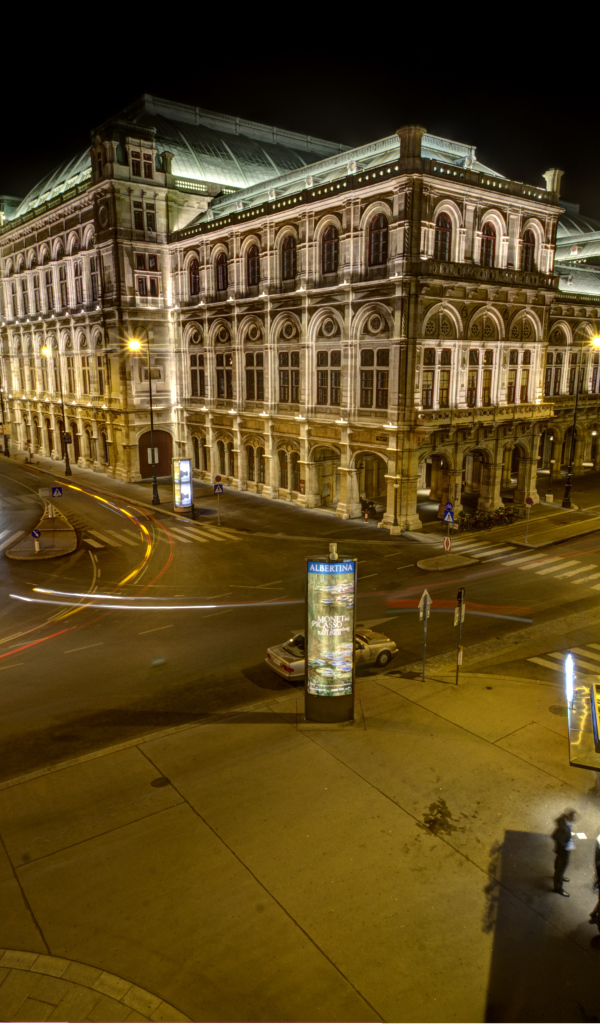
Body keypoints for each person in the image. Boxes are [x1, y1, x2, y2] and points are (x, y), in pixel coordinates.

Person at [552, 808, 578, 896]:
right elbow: (555, 836)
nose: (575, 818)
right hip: (564, 850)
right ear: (569, 816)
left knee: (559, 862)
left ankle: (558, 875)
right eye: (574, 816)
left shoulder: (564, 821)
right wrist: (566, 846)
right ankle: (558, 887)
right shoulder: (563, 827)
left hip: (561, 849)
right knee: (562, 867)